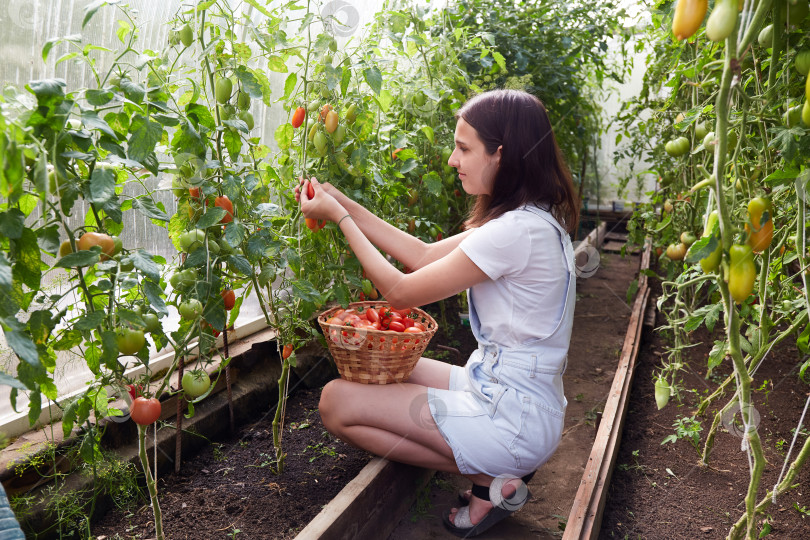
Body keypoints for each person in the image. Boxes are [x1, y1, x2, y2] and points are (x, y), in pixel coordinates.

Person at [296, 88, 578, 537]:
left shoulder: (514, 233)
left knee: (335, 402)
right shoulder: (529, 220)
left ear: (501, 155)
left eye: (464, 148)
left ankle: (489, 481)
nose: (453, 159)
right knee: (389, 370)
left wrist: (342, 220)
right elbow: (423, 255)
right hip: (512, 394)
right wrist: (342, 203)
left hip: (511, 417)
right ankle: (498, 472)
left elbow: (401, 292)